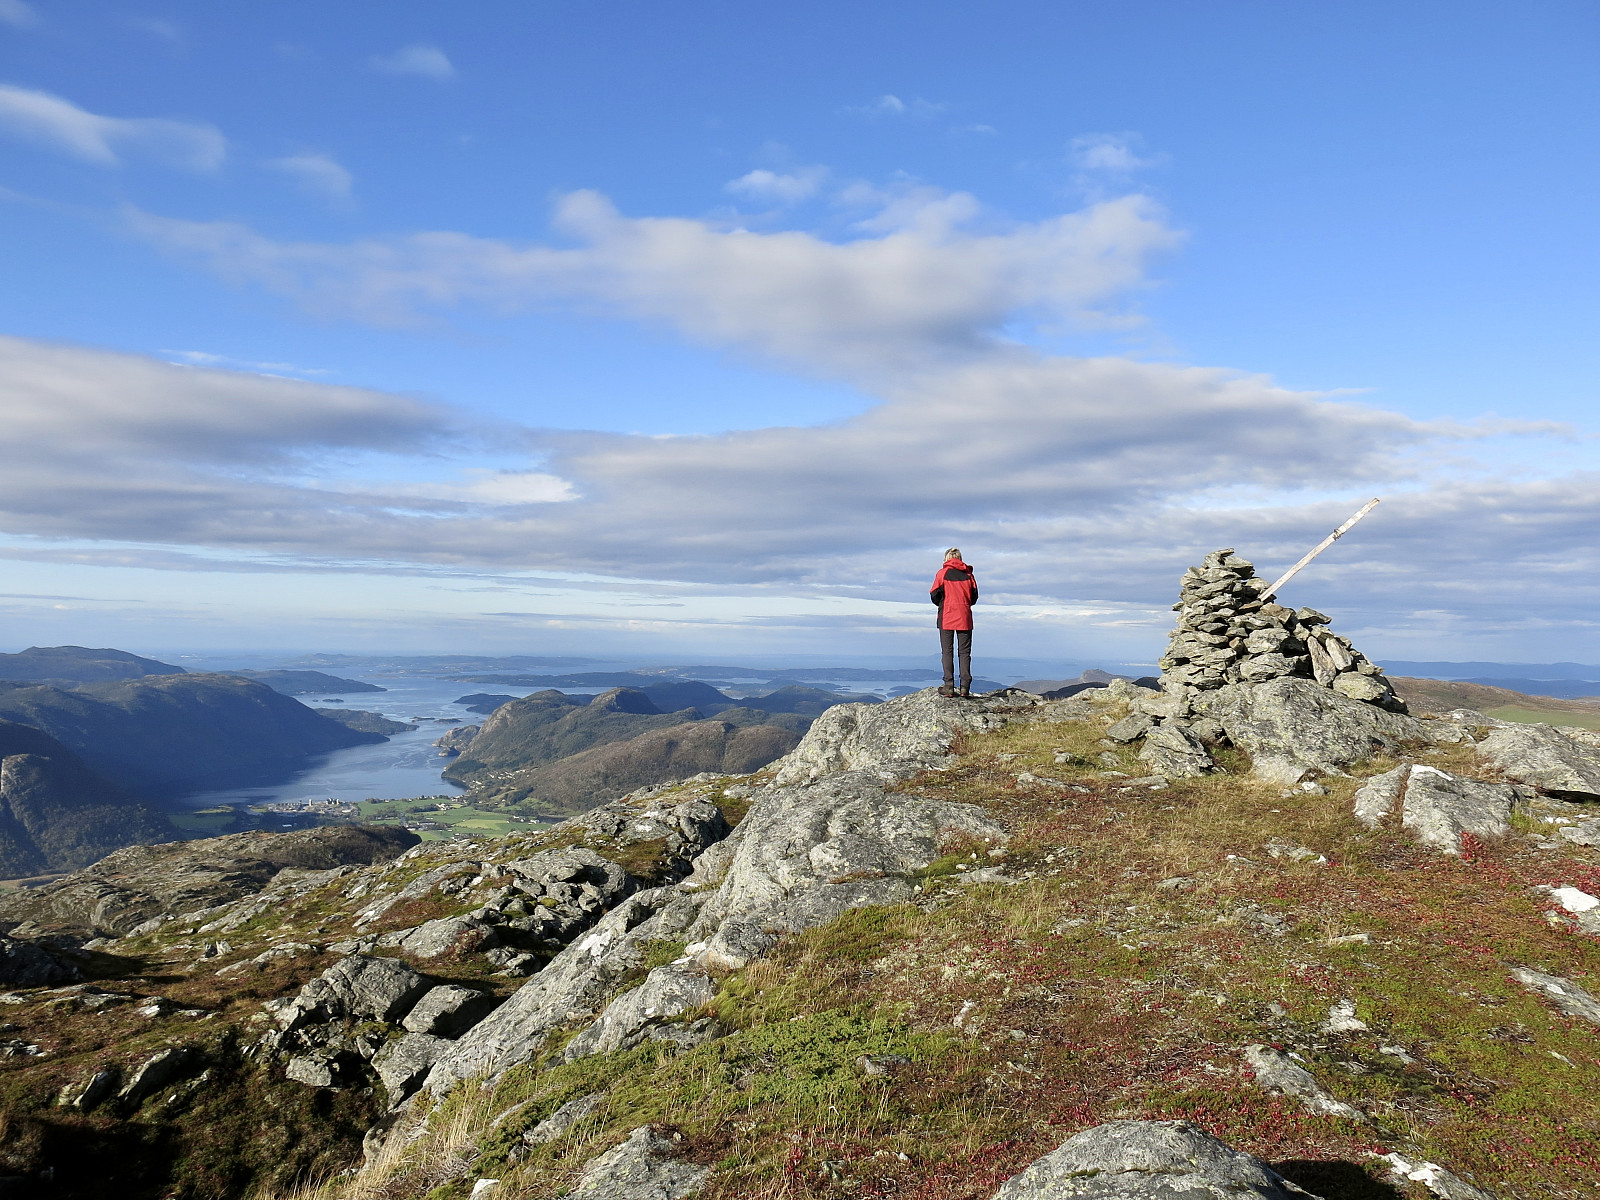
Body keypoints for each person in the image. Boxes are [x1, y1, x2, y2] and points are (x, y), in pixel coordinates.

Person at [930, 547, 978, 698]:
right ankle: (965, 687)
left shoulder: (942, 573)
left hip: (947, 616)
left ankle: (949, 686)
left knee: (947, 651)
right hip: (964, 616)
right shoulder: (968, 574)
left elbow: (934, 595)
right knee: (964, 653)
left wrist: (944, 603)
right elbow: (974, 597)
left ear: (946, 558)